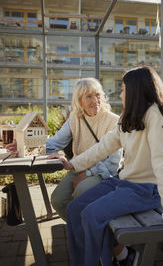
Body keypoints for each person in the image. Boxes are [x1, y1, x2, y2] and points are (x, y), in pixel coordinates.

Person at [49, 66, 163, 266]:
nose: (120, 93)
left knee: (92, 215)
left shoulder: (157, 117)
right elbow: (102, 148)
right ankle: (96, 260)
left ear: (135, 90)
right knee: (75, 209)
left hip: (146, 189)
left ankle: (109, 259)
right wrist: (71, 164)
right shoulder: (130, 117)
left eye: (124, 89)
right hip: (124, 182)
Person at [6, 77, 122, 221]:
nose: (95, 100)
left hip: (102, 171)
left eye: (97, 95)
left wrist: (88, 173)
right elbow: (55, 142)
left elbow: (114, 162)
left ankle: (90, 232)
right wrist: (24, 146)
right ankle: (80, 229)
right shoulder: (75, 118)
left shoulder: (113, 121)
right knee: (58, 200)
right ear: (80, 101)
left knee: (81, 192)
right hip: (78, 167)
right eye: (89, 96)